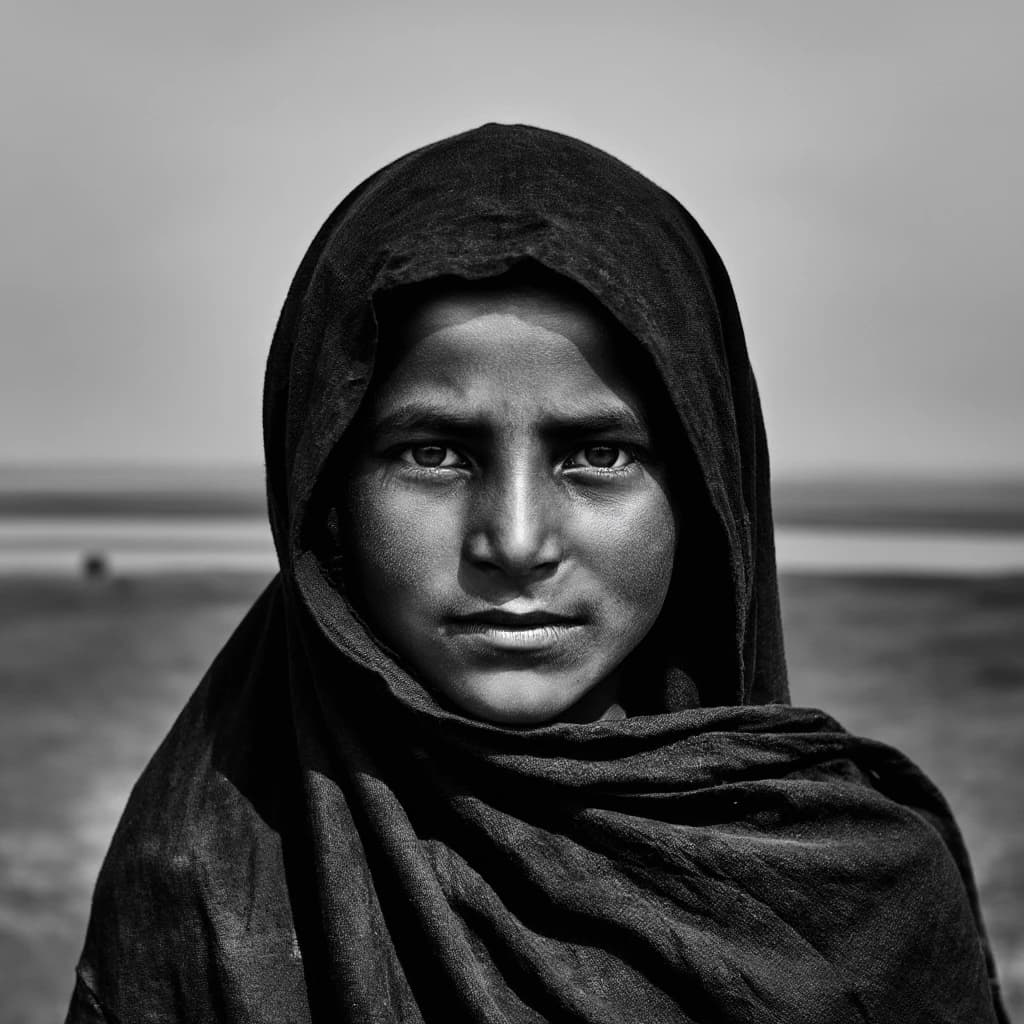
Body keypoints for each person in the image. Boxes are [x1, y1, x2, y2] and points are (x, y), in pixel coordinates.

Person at [66, 124, 1008, 1023]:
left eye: (596, 455)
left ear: (705, 493)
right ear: (327, 495)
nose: (516, 542)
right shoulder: (202, 883)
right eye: (434, 453)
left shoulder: (863, 895)